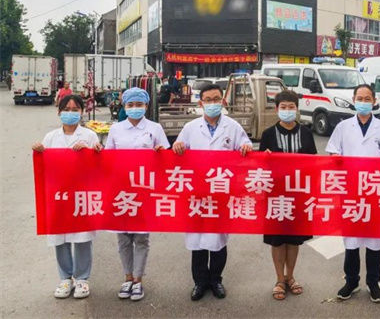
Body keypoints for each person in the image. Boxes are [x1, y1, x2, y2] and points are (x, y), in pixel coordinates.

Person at [172, 83, 253, 301]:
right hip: (197, 193)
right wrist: (178, 147)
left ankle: (216, 280)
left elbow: (245, 145)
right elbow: (179, 147)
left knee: (218, 239)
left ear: (223, 101)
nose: (213, 103)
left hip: (220, 193)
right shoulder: (190, 128)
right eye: (208, 100)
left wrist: (245, 148)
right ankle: (199, 282)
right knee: (198, 241)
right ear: (201, 104)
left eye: (216, 99)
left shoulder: (233, 127)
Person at [326, 84, 380, 303]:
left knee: (374, 240)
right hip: (350, 191)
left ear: (374, 101)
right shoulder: (343, 127)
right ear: (354, 99)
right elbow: (333, 153)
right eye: (360, 97)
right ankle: (352, 281)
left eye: (367, 98)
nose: (364, 101)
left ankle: (373, 282)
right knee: (352, 240)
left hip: (374, 190)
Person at [32, 95, 102, 299]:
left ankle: (82, 279)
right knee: (60, 237)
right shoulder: (51, 137)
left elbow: (99, 165)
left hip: (81, 193)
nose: (70, 113)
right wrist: (39, 152)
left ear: (82, 112)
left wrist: (92, 151)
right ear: (59, 112)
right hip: (58, 195)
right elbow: (44, 166)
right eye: (67, 109)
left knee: (82, 238)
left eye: (75, 109)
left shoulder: (89, 136)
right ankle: (65, 278)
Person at [104, 87, 169, 301]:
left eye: (139, 104)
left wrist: (161, 154)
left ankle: (138, 280)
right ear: (124, 106)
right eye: (130, 105)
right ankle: (127, 277)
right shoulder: (116, 129)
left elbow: (166, 158)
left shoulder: (155, 128)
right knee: (123, 238)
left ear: (146, 106)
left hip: (145, 191)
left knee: (141, 238)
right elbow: (107, 159)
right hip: (121, 191)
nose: (134, 108)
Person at [258, 90, 317, 300]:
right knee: (277, 240)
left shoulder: (307, 133)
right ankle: (279, 279)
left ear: (297, 109)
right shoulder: (267, 135)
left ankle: (290, 276)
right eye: (283, 107)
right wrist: (262, 159)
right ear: (276, 109)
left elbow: (314, 164)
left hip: (299, 196)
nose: (287, 111)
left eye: (291, 107)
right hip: (275, 196)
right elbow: (259, 167)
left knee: (293, 240)